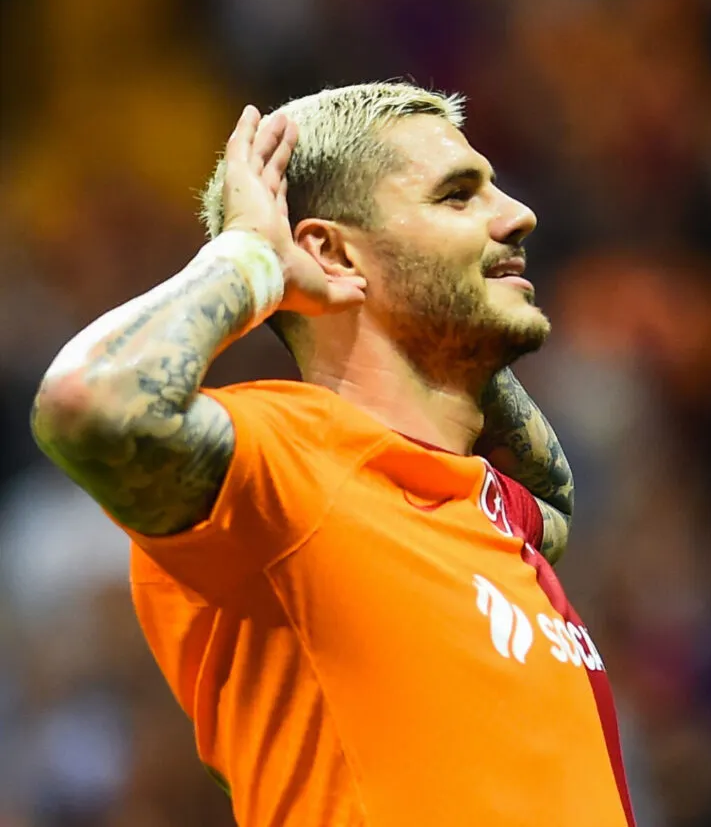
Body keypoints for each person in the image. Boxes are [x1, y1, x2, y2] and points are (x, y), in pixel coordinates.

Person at [29, 83, 635, 827]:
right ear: (328, 250)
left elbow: (554, 499)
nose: (517, 215)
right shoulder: (286, 464)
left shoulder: (488, 510)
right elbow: (90, 403)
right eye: (457, 196)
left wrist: (455, 322)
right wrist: (252, 257)